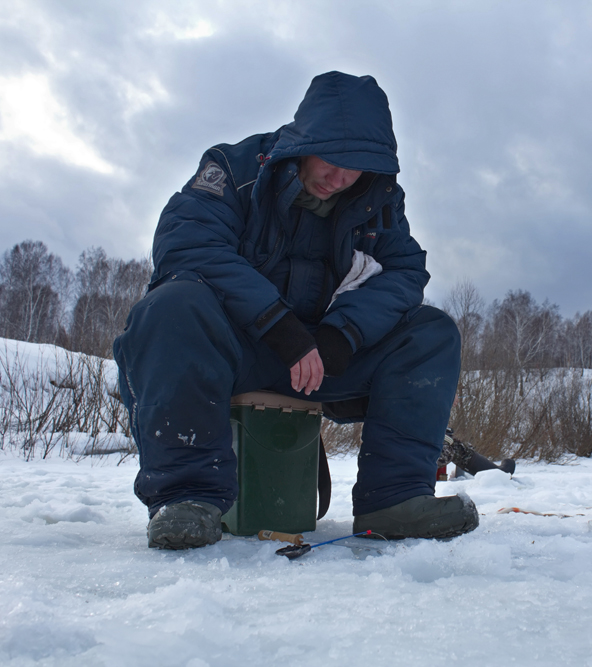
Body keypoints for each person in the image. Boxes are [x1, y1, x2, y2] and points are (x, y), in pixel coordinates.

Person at [113, 72, 478, 549]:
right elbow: (188, 245)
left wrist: (343, 333)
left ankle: (394, 500)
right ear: (305, 141)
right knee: (172, 304)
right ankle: (185, 499)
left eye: (358, 166)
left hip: (323, 360)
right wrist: (278, 326)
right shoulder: (234, 168)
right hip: (237, 349)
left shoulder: (377, 200)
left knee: (431, 333)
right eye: (332, 159)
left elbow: (405, 271)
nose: (341, 177)